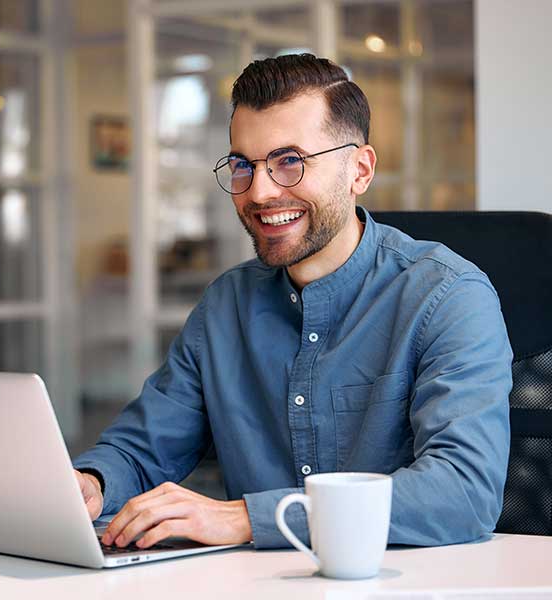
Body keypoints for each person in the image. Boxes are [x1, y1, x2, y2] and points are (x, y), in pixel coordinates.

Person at [73, 53, 513, 551]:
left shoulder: (447, 296)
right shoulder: (226, 305)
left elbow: (463, 491)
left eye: (290, 162)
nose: (259, 192)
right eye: (243, 165)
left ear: (360, 170)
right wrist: (90, 484)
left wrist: (250, 518)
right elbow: (142, 450)